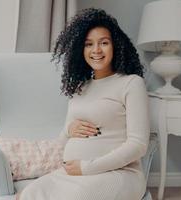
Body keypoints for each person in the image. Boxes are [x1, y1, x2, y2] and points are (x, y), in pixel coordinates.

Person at [16, 8, 149, 200]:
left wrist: (88, 167)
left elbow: (138, 145)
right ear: (81, 50)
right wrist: (70, 129)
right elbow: (62, 141)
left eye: (104, 43)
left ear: (116, 46)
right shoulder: (80, 88)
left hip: (118, 173)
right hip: (72, 173)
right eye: (89, 44)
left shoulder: (131, 83)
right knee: (27, 194)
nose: (96, 50)